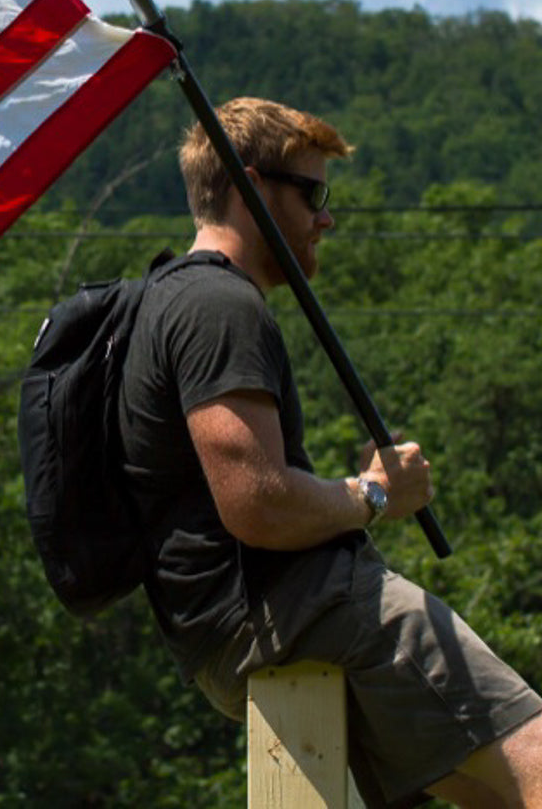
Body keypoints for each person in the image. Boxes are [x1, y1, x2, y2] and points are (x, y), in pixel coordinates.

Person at [119, 96, 542, 808]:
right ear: (252, 187)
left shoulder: (169, 299)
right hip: (300, 610)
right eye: (313, 192)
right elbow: (259, 504)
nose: (327, 216)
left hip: (238, 631)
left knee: (493, 795)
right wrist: (375, 495)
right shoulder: (220, 306)